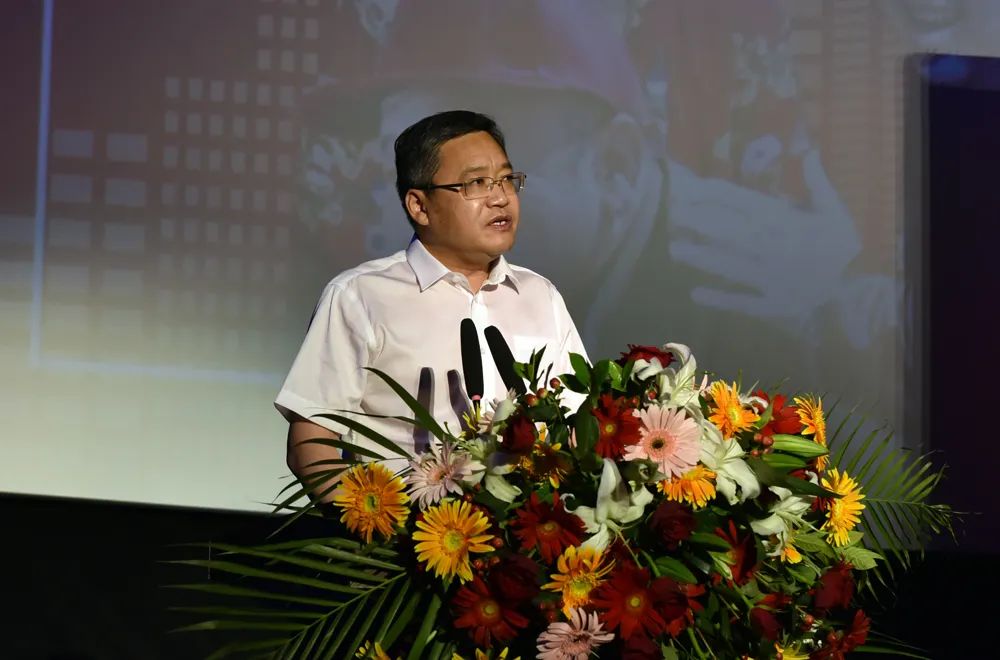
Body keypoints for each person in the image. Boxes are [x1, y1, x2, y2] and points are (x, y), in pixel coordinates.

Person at [276, 110, 588, 500]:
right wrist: (374, 522)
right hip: (410, 531)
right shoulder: (360, 297)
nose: (500, 197)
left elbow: (579, 426)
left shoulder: (541, 296)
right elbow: (311, 444)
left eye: (506, 179)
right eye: (476, 183)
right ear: (419, 206)